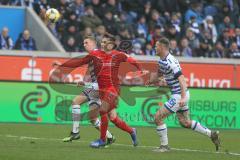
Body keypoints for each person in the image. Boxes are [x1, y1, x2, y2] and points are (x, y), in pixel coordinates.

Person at [53, 35, 143, 148]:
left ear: (111, 44)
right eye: (102, 42)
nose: (102, 44)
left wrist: (140, 69)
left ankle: (102, 140)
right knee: (113, 118)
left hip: (113, 89)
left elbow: (132, 60)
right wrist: (62, 65)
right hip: (101, 89)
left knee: (102, 110)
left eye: (105, 42)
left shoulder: (118, 55)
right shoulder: (95, 55)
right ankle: (131, 131)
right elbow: (78, 62)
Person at [150, 37, 220, 152]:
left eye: (156, 45)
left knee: (158, 117)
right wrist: (151, 80)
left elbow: (182, 79)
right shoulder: (162, 60)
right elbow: (159, 75)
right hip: (181, 94)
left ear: (162, 47)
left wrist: (182, 98)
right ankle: (211, 134)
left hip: (179, 95)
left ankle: (164, 146)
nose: (155, 47)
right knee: (185, 122)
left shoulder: (170, 61)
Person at [54, 36, 115, 145]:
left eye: (86, 42)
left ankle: (75, 132)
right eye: (83, 43)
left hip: (98, 87)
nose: (84, 45)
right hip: (97, 87)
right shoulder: (96, 55)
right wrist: (85, 82)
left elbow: (78, 63)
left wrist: (61, 65)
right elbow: (92, 70)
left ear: (93, 43)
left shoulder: (95, 54)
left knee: (76, 102)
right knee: (93, 118)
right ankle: (110, 137)